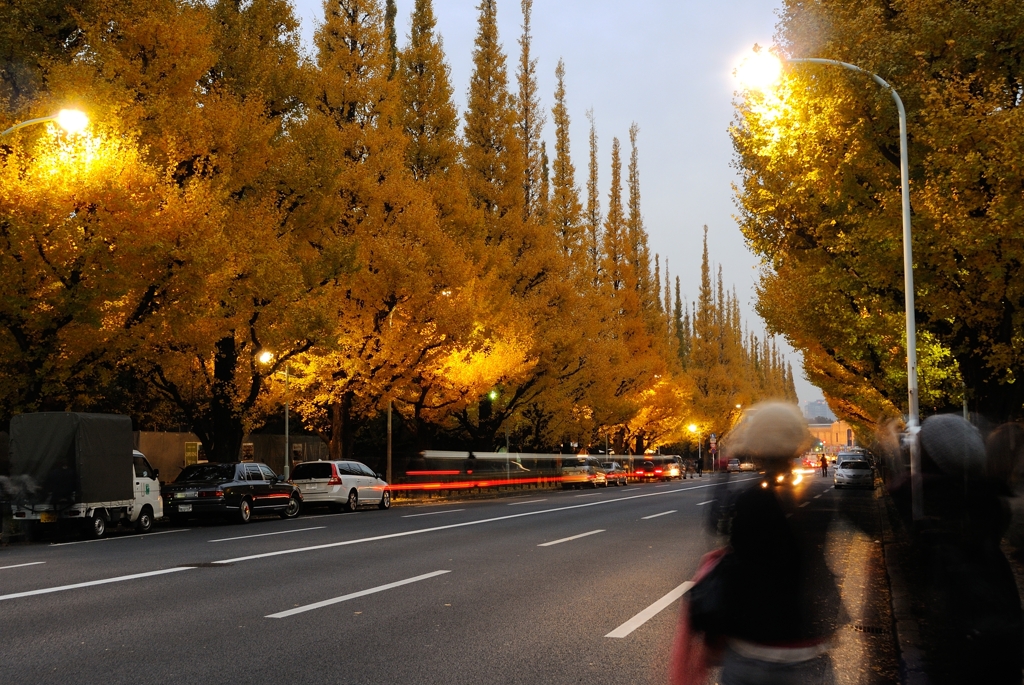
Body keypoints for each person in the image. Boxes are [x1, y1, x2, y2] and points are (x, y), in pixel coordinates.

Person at [694, 402, 838, 684]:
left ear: (757, 449)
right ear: (796, 446)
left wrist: (724, 467)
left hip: (750, 643)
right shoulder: (822, 499)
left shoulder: (749, 501)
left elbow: (716, 522)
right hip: (806, 641)